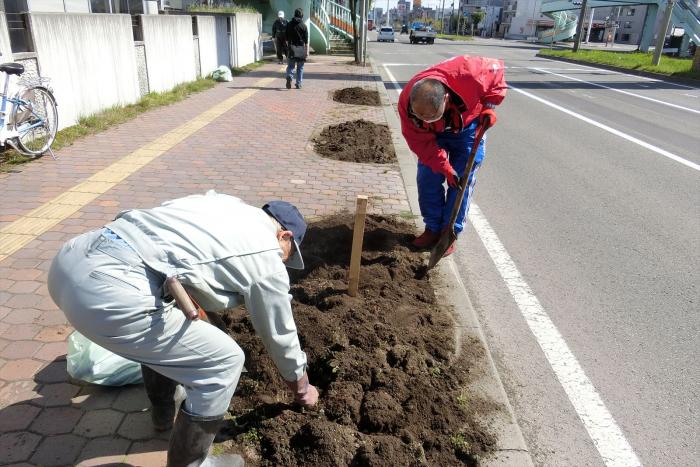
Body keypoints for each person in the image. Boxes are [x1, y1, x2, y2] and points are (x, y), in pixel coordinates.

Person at [47, 191, 319, 467]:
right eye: (289, 254)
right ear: (284, 236)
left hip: (71, 260)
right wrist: (301, 386)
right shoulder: (266, 255)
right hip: (108, 291)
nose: (285, 261)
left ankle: (162, 414)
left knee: (171, 322)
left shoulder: (222, 204)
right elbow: (279, 332)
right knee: (223, 362)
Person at [398, 55, 507, 256]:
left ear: (446, 99)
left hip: (467, 127)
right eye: (421, 117)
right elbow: (422, 145)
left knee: (462, 182)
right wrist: (445, 168)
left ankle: (449, 233)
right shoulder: (407, 103)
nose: (426, 121)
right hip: (431, 137)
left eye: (431, 117)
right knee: (427, 178)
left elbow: (496, 72)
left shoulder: (470, 72)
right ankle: (432, 228)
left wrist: (490, 107)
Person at [285, 8, 308, 90]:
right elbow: (306, 42)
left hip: (291, 48)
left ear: (294, 15)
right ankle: (298, 83)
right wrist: (307, 51)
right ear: (302, 16)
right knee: (300, 67)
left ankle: (289, 76)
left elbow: (286, 39)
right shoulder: (304, 26)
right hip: (301, 49)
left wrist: (288, 48)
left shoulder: (289, 24)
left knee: (290, 66)